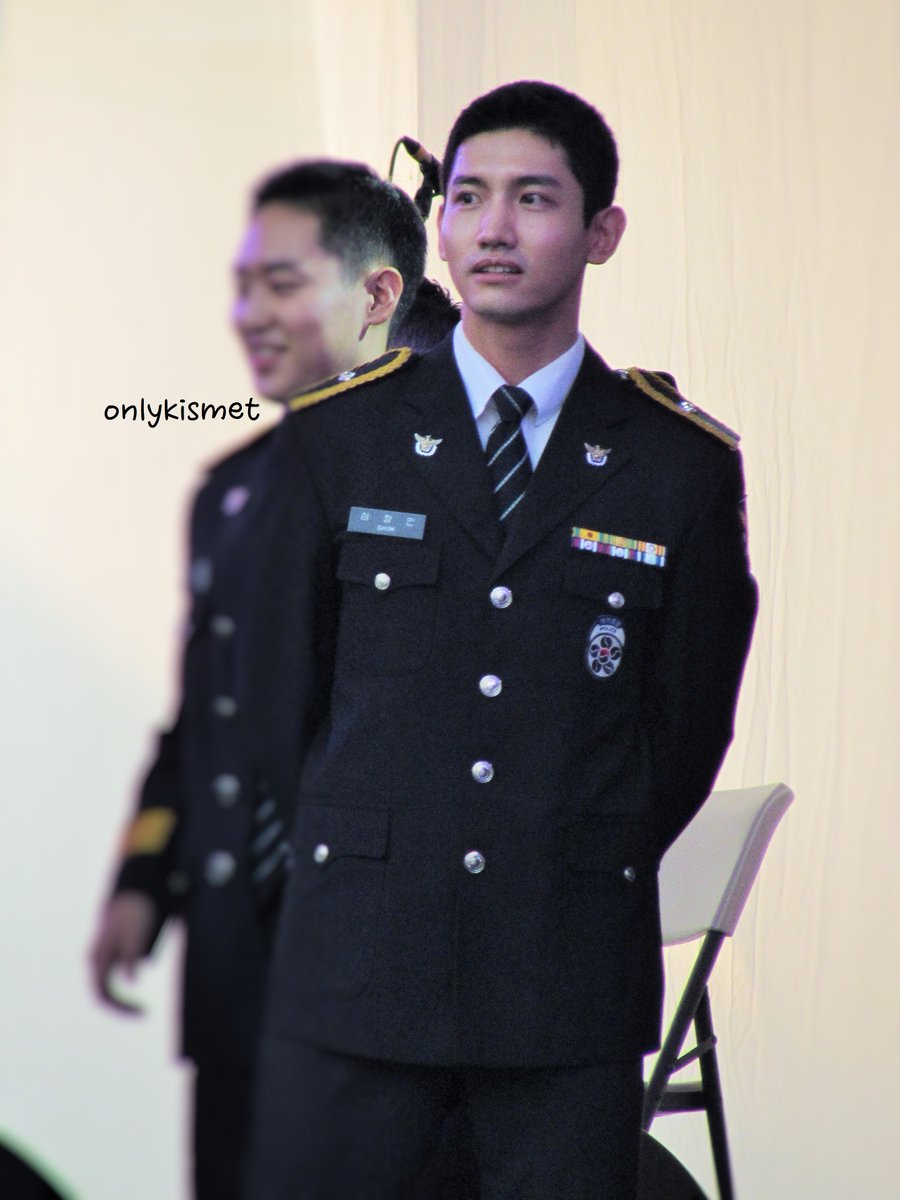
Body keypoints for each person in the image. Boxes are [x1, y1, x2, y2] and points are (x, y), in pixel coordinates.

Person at [245, 80, 758, 1200]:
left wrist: (565, 846)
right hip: (362, 983)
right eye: (469, 198)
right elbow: (283, 703)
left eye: (534, 198)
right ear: (439, 230)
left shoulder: (677, 467)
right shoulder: (340, 437)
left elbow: (685, 728)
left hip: (562, 982)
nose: (493, 228)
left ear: (601, 232)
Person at [87, 159, 427, 1200]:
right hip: (241, 958)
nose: (250, 314)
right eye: (243, 286)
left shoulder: (445, 476)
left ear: (378, 293)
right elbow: (209, 715)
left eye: (282, 283)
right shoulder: (235, 490)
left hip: (379, 968)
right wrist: (146, 878)